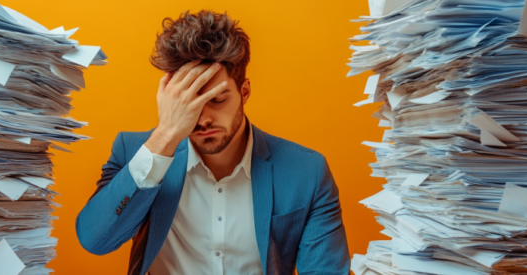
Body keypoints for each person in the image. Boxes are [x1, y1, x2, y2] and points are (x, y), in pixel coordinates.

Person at [76, 10, 349, 275]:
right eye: (190, 102)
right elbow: (96, 240)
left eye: (217, 100)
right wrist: (167, 134)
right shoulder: (133, 151)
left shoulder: (307, 172)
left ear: (244, 92)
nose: (203, 119)